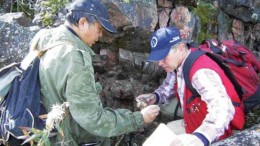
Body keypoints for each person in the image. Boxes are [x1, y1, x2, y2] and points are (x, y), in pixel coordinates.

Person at [22, 0, 160, 145]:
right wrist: (139, 118)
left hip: (38, 129)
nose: (100, 35)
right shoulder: (75, 57)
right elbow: (93, 120)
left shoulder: (45, 38)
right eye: (99, 29)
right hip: (62, 138)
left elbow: (56, 85)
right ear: (83, 22)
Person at [136, 27, 245, 146]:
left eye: (164, 57)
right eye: (158, 58)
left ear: (181, 48)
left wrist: (202, 137)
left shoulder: (200, 72)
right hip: (195, 120)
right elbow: (169, 85)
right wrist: (155, 97)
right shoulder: (178, 64)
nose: (160, 63)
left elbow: (223, 107)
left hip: (218, 131)